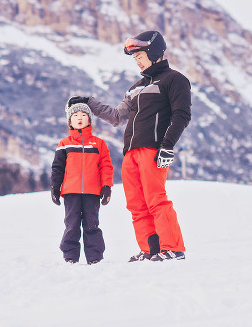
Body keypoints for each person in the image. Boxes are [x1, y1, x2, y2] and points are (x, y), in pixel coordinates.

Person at [68, 30, 191, 262]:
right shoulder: (135, 88)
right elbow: (116, 116)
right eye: (134, 58)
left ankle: (173, 248)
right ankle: (150, 249)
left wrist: (168, 145)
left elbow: (181, 115)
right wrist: (89, 102)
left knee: (156, 198)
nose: (137, 61)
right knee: (136, 203)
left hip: (153, 149)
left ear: (154, 52)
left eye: (140, 55)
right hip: (131, 153)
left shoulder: (174, 80)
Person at [50, 101, 114, 265]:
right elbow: (58, 168)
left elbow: (105, 166)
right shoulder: (65, 144)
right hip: (71, 192)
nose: (79, 118)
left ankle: (95, 258)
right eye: (75, 115)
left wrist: (106, 187)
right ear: (70, 121)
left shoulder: (99, 143)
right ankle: (70, 257)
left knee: (92, 225)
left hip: (92, 192)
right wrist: (55, 188)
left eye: (83, 115)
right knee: (71, 225)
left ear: (89, 120)